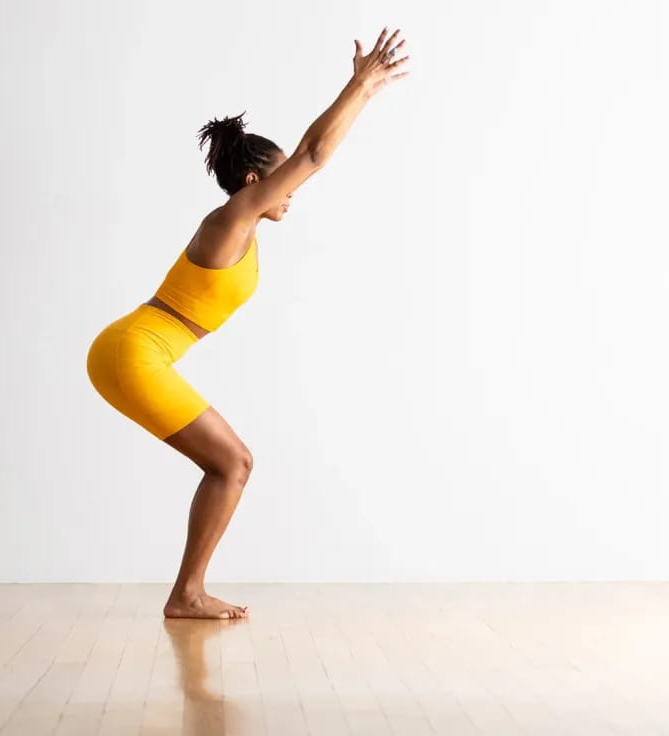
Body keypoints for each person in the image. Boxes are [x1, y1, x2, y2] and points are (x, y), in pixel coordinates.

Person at [86, 27, 410, 619]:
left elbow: (310, 152)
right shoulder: (233, 217)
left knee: (230, 463)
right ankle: (186, 595)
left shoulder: (243, 227)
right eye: (281, 179)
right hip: (133, 351)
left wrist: (364, 92)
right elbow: (314, 153)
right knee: (233, 463)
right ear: (256, 183)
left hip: (133, 349)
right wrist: (359, 85)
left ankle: (187, 592)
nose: (296, 190)